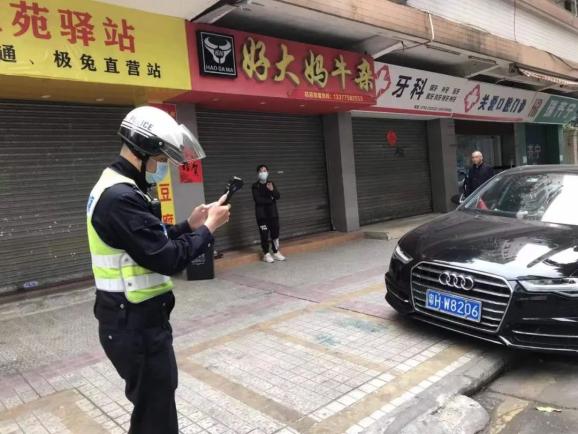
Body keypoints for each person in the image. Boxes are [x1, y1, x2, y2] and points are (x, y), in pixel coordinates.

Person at [86, 106, 230, 434]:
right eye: (162, 159)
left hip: (136, 321)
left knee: (154, 410)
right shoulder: (119, 197)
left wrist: (189, 225)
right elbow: (166, 258)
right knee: (156, 417)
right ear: (143, 151)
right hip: (133, 326)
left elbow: (149, 240)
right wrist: (208, 229)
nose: (163, 167)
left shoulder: (123, 188)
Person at [252, 164, 286, 263]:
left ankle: (276, 252)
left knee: (275, 233)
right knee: (264, 234)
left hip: (273, 214)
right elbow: (258, 200)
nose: (263, 173)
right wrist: (270, 199)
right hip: (261, 215)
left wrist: (272, 190)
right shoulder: (255, 186)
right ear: (258, 173)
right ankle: (266, 254)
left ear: (268, 172)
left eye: (265, 171)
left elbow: (277, 196)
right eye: (261, 171)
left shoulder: (271, 184)